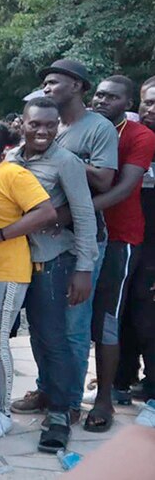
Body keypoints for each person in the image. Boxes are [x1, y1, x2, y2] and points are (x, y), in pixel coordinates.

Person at [14, 59, 117, 424]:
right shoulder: (46, 130)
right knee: (43, 328)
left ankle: (70, 401)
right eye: (43, 84)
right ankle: (49, 389)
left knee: (73, 328)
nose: (47, 89)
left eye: (54, 82)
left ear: (78, 86)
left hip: (77, 245)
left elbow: (103, 182)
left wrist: (66, 162)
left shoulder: (97, 129)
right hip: (41, 247)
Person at [6, 96, 98, 454]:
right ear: (22, 124)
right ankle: (45, 394)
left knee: (52, 337)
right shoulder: (11, 158)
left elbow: (85, 216)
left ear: (58, 125)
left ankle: (60, 414)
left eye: (49, 124)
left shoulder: (66, 162)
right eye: (35, 124)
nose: (42, 130)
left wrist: (84, 269)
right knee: (33, 337)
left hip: (52, 260)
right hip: (13, 260)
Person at [0, 120, 57, 441]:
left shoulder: (13, 173)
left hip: (9, 268)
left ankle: (2, 413)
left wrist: (0, 234)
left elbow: (46, 212)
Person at [85, 76, 155, 432]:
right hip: (84, 235)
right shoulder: (81, 127)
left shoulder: (140, 136)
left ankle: (108, 398)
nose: (101, 100)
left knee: (116, 317)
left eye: (111, 97)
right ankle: (57, 391)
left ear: (125, 102)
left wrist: (76, 211)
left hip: (123, 237)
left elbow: (125, 188)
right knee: (76, 317)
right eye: (98, 94)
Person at [117, 76, 155, 401]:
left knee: (146, 307)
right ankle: (122, 378)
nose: (152, 109)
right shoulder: (127, 134)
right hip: (130, 234)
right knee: (125, 306)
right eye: (148, 101)